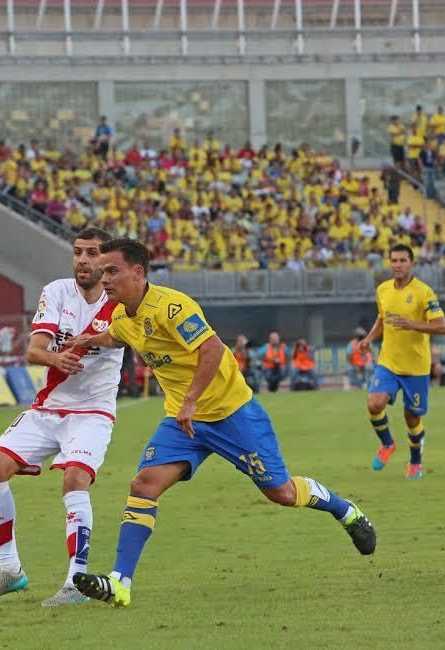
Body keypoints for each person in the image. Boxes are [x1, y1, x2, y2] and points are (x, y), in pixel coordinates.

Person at [63, 239, 376, 608]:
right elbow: (118, 336)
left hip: (231, 413)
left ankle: (346, 510)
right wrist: (89, 340)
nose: (104, 278)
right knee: (143, 485)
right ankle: (120, 583)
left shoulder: (172, 307)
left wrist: (191, 401)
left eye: (112, 270)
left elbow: (212, 349)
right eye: (103, 272)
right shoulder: (120, 315)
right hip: (184, 422)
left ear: (138, 272)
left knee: (282, 493)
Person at [0, 227, 124, 606]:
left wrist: (94, 341)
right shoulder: (55, 292)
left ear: (106, 261)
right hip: (48, 407)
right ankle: (10, 570)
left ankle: (76, 581)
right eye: (78, 252)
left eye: (91, 253)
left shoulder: (119, 301)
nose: (83, 261)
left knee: (75, 479)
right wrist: (56, 358)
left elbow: (124, 337)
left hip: (92, 412)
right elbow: (34, 350)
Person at [358, 244, 445, 478]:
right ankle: (388, 444)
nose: (398, 265)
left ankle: (415, 462)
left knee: (412, 417)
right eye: (394, 261)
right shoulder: (383, 290)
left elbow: (442, 327)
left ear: (412, 263)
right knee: (374, 403)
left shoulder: (424, 292)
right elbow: (382, 319)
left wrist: (413, 324)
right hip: (388, 362)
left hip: (416, 367)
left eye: (402, 260)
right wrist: (368, 339)